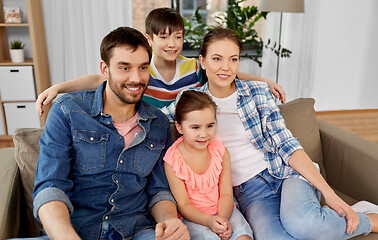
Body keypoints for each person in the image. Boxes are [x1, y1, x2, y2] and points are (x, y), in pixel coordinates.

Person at [162, 27, 378, 239]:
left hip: (286, 175)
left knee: (304, 224)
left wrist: (330, 195)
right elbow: (153, 119)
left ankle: (369, 221)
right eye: (217, 59)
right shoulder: (189, 101)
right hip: (249, 193)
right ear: (203, 61)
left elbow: (288, 146)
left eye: (233, 59)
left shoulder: (258, 93)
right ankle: (341, 217)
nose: (226, 67)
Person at [32, 26, 189, 240]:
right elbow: (50, 189)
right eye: (124, 68)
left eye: (143, 68)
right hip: (74, 232)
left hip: (136, 232)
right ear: (104, 69)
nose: (136, 78)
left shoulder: (159, 123)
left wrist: (169, 221)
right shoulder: (67, 111)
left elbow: (159, 190)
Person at [35, 7, 286, 116]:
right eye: (164, 37)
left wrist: (264, 81)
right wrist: (57, 88)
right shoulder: (142, 70)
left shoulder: (192, 66)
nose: (172, 44)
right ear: (149, 39)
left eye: (178, 37)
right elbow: (97, 78)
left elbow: (225, 71)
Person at [163, 90, 253, 240]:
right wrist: (209, 221)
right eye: (195, 127)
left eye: (209, 126)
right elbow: (184, 205)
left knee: (243, 237)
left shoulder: (220, 151)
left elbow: (226, 194)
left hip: (224, 211)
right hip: (194, 218)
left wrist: (222, 220)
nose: (204, 134)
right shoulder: (172, 161)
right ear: (179, 128)